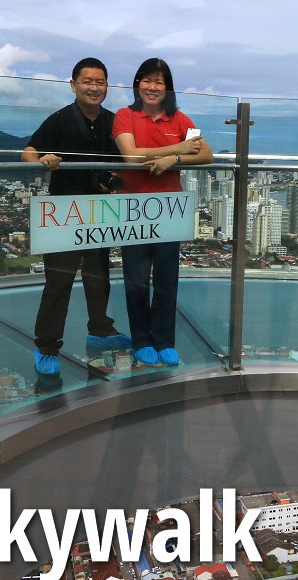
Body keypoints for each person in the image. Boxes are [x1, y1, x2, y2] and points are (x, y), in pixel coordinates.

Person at [22, 57, 131, 375]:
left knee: (99, 277)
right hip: (64, 213)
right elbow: (28, 151)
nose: (94, 87)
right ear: (73, 85)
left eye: (100, 82)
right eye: (88, 81)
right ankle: (46, 347)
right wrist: (43, 158)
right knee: (59, 281)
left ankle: (100, 329)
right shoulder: (60, 120)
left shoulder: (113, 122)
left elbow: (126, 159)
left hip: (99, 210)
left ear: (107, 87)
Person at [112, 58, 213, 366]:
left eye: (159, 81)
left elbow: (206, 154)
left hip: (170, 209)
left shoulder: (180, 120)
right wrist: (179, 149)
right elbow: (130, 157)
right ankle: (142, 340)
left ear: (167, 88)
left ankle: (165, 340)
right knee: (137, 279)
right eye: (146, 80)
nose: (152, 87)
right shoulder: (125, 116)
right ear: (137, 84)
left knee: (168, 278)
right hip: (134, 207)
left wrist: (174, 161)